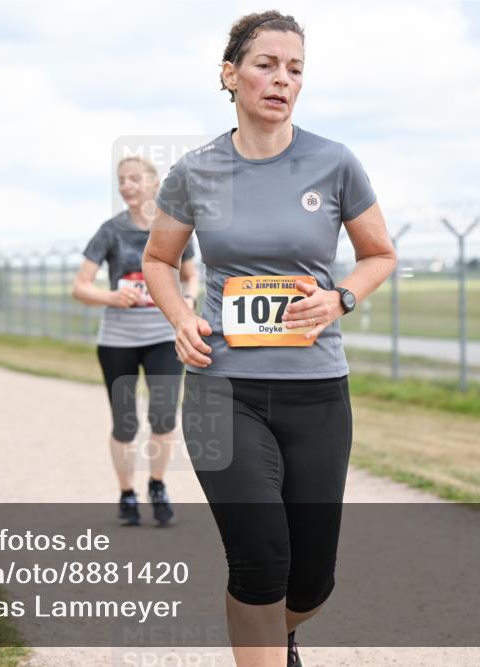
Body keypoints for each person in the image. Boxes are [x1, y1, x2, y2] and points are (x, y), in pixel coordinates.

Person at [143, 11, 397, 667]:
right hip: (221, 390)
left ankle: (277, 635)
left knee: (310, 579)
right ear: (230, 75)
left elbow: (378, 255)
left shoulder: (334, 162)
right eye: (266, 64)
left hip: (317, 394)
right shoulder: (196, 171)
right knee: (260, 556)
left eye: (295, 69)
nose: (282, 79)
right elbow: (157, 261)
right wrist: (179, 318)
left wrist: (339, 297)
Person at [73, 156, 199, 527]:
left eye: (133, 179)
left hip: (163, 335)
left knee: (162, 416)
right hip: (117, 340)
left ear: (153, 184)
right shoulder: (109, 231)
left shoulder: (174, 227)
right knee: (125, 423)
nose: (126, 186)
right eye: (121, 181)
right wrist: (110, 297)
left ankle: (157, 486)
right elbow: (80, 286)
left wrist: (188, 298)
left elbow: (190, 276)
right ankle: (127, 493)